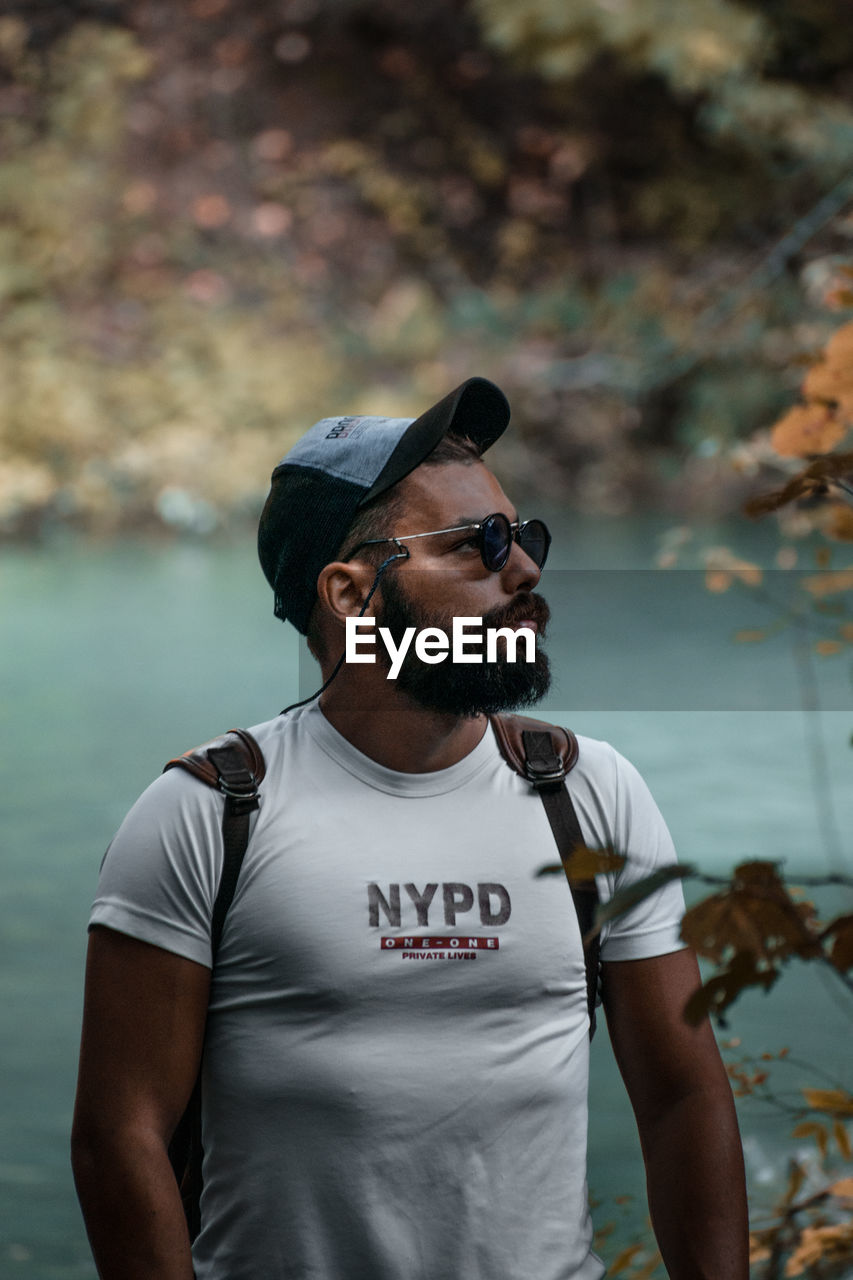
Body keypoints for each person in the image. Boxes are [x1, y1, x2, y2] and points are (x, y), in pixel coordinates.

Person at [71, 376, 749, 1280]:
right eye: (481, 544)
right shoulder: (208, 813)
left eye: (526, 535)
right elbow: (120, 1138)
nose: (526, 570)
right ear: (351, 596)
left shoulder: (588, 794)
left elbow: (681, 1097)